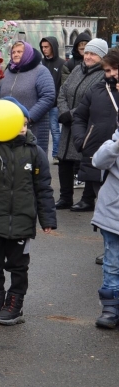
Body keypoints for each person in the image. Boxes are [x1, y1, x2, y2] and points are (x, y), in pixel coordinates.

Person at [0, 97, 56, 325]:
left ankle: (15, 304)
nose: (21, 128)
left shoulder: (35, 152)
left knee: (18, 266)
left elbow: (43, 187)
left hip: (22, 222)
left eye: (24, 123)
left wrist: (47, 218)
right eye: (15, 123)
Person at [57, 38, 107, 212]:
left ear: (102, 56)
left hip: (86, 124)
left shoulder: (103, 75)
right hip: (68, 124)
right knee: (64, 161)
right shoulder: (77, 69)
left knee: (88, 162)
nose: (88, 56)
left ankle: (87, 199)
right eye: (86, 52)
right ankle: (65, 198)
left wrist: (71, 114)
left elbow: (93, 101)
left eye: (93, 54)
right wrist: (63, 111)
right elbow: (63, 91)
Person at [0, 41, 56, 154]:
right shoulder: (8, 72)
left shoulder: (40, 71)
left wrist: (28, 118)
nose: (15, 54)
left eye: (19, 51)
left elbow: (48, 97)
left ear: (28, 53)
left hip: (31, 129)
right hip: (7, 127)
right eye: (13, 52)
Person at [90, 124, 119, 328]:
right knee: (112, 263)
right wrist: (116, 147)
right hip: (113, 216)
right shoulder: (112, 143)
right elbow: (98, 161)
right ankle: (110, 308)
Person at [40, 37, 70, 161]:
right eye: (42, 47)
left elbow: (64, 85)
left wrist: (58, 101)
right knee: (41, 131)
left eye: (47, 47)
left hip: (54, 104)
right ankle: (40, 155)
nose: (44, 49)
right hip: (41, 103)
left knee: (55, 129)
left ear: (53, 47)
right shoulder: (40, 63)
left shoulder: (62, 63)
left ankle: (56, 154)